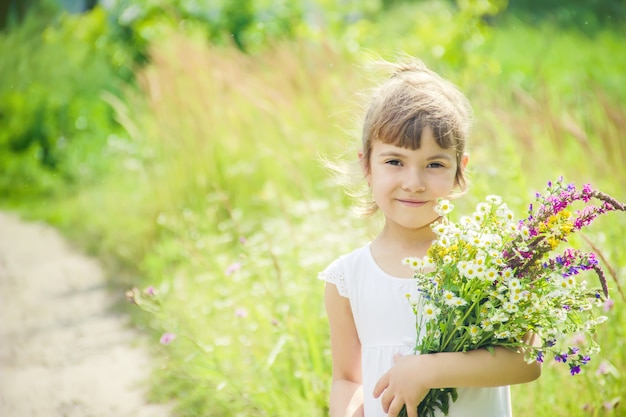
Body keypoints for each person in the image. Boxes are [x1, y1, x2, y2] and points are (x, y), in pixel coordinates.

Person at [318, 57, 542, 417]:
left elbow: (525, 362)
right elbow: (346, 378)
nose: (414, 182)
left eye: (434, 164)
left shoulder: (486, 264)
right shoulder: (347, 279)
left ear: (459, 170)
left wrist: (425, 370)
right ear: (367, 166)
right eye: (394, 162)